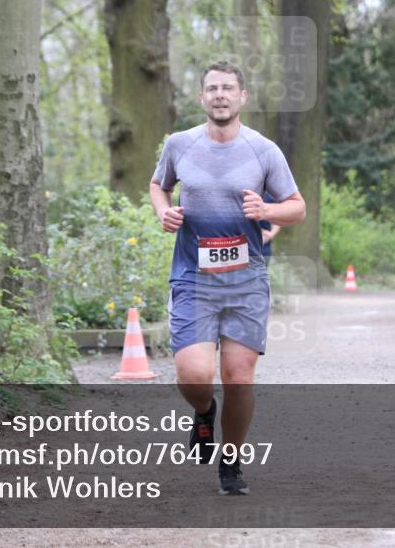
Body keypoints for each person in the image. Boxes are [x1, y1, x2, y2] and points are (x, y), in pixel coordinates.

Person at [149, 61, 305, 495]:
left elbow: (297, 206)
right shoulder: (180, 145)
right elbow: (158, 185)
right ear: (202, 98)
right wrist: (164, 212)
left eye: (228, 88)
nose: (220, 94)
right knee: (194, 375)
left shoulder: (264, 150)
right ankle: (203, 412)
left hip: (246, 279)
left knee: (239, 377)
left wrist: (267, 211)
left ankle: (231, 463)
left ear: (242, 97)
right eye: (212, 88)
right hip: (193, 277)